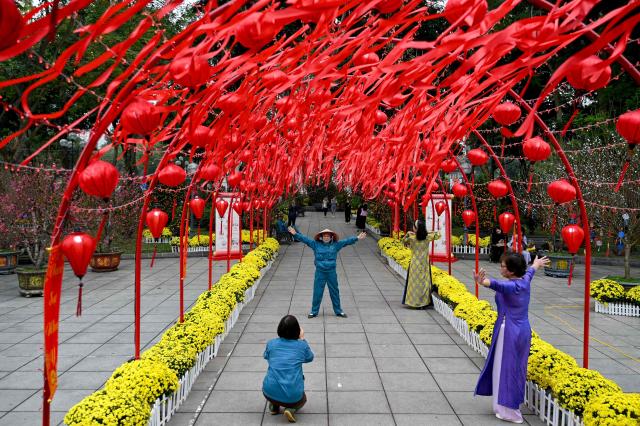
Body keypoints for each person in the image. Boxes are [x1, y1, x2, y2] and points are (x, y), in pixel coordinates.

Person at [473, 254, 550, 424]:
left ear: (511, 270)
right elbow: (531, 272)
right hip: (520, 330)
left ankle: (509, 411)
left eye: (502, 266)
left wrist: (482, 281)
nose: (500, 268)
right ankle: (505, 407)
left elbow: (494, 284)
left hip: (509, 331)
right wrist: (536, 264)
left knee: (506, 369)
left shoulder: (513, 286)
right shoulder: (524, 281)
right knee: (513, 369)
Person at [288, 226, 366, 318]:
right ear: (321, 237)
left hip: (331, 272)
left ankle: (338, 311)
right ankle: (314, 311)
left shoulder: (336, 245)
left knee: (334, 291)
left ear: (331, 237)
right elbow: (305, 239)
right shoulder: (315, 244)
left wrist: (357, 238)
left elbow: (346, 241)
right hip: (320, 272)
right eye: (324, 236)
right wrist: (295, 234)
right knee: (317, 292)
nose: (326, 237)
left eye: (328, 236)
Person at [263, 315, 314, 423]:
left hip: (268, 391)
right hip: (292, 394)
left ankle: (274, 407)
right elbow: (310, 358)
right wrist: (303, 339)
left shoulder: (271, 343)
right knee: (302, 398)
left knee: (276, 388)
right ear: (297, 331)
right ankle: (291, 409)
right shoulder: (301, 346)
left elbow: (266, 356)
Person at [401, 220, 440, 309]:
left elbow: (403, 241)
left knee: (414, 283)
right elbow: (438, 234)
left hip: (415, 264)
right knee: (424, 283)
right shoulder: (428, 237)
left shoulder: (412, 238)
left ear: (416, 229)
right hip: (424, 264)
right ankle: (423, 303)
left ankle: (413, 302)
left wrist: (407, 233)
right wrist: (428, 232)